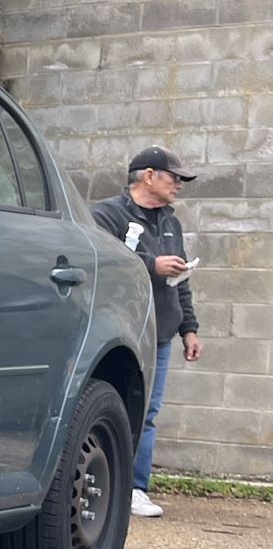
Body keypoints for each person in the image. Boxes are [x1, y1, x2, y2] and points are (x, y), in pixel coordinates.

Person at [90, 145, 202, 518]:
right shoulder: (106, 214)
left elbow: (180, 281)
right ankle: (102, 485)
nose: (180, 186)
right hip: (117, 330)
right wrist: (151, 264)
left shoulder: (171, 222)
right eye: (175, 177)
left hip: (161, 332)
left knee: (147, 413)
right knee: (106, 408)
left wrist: (189, 328)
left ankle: (135, 489)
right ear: (149, 176)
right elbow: (101, 260)